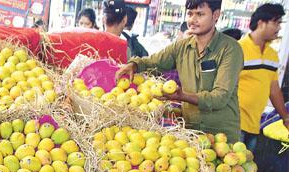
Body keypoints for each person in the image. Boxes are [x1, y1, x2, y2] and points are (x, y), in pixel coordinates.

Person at [115, 0, 244, 142]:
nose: (192, 20)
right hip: (191, 131)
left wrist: (182, 96)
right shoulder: (181, 47)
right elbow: (152, 61)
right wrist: (134, 65)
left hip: (221, 135)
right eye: (190, 14)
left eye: (200, 14)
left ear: (216, 15)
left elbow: (220, 97)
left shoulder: (230, 49)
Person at [238, 3, 289, 151]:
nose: (279, 28)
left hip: (255, 125)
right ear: (261, 23)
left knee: (247, 170)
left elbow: (274, 90)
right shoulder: (238, 49)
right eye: (276, 22)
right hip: (235, 124)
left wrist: (285, 117)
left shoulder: (272, 55)